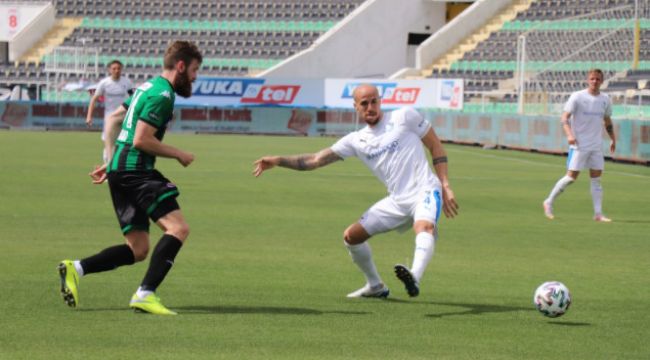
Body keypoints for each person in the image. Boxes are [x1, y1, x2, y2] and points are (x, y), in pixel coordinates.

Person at [253, 84, 459, 298]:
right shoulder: (355, 140)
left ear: (380, 101)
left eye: (374, 101)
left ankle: (414, 276)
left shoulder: (404, 116)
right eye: (364, 103)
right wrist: (278, 161)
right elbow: (314, 160)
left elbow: (436, 146)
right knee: (351, 236)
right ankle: (375, 286)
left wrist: (445, 185)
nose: (371, 107)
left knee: (424, 227)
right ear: (356, 107)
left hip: (424, 189)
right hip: (397, 200)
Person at [58, 41, 202, 315]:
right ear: (181, 66)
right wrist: (179, 153)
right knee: (178, 229)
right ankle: (145, 293)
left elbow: (114, 119)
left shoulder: (146, 87)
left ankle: (75, 269)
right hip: (136, 171)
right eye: (194, 70)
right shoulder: (163, 96)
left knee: (138, 248)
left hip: (121, 171)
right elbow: (141, 140)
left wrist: (111, 163)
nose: (195, 77)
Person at [543, 68, 616, 222]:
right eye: (592, 79)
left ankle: (598, 214)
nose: (595, 81)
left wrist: (613, 138)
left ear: (602, 81)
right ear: (587, 80)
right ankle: (548, 201)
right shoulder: (577, 96)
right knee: (571, 178)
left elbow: (607, 120)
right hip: (579, 145)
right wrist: (569, 135)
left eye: (597, 79)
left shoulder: (605, 99)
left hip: (596, 146)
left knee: (596, 179)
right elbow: (564, 117)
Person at [85, 60, 134, 163]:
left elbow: (133, 98)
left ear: (121, 69)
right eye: (114, 68)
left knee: (122, 143)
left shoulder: (127, 82)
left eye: (118, 68)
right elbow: (94, 99)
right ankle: (108, 169)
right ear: (110, 70)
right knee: (108, 144)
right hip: (109, 117)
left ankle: (117, 168)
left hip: (124, 116)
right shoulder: (104, 83)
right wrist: (89, 116)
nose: (116, 70)